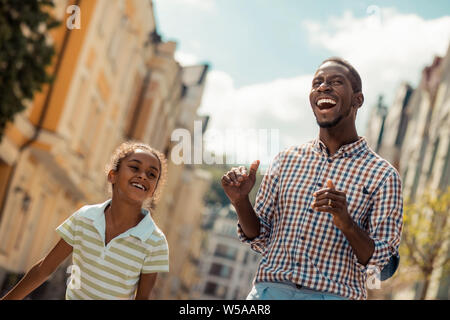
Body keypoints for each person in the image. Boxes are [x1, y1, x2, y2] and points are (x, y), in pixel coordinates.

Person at [221, 57, 403, 300]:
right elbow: (260, 237)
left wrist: (346, 223)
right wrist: (241, 201)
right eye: (317, 82)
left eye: (336, 82)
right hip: (269, 292)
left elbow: (382, 265)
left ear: (357, 99)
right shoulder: (285, 160)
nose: (323, 87)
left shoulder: (383, 175)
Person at [1, 141, 169, 300]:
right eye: (134, 167)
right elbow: (45, 269)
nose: (142, 176)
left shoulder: (155, 241)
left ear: (153, 191)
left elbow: (142, 297)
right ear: (113, 175)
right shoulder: (85, 217)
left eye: (152, 174)